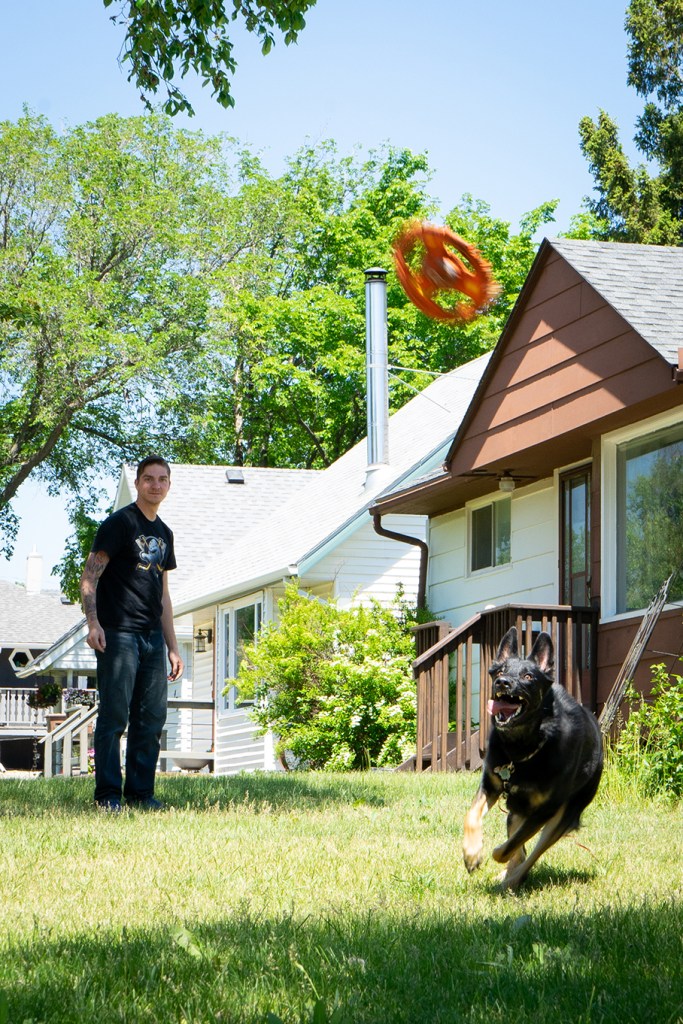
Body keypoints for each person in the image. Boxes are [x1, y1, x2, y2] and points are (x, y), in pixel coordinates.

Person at [80, 456, 183, 811]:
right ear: (137, 483)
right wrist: (93, 623)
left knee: (152, 717)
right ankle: (108, 795)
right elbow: (90, 577)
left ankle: (141, 794)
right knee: (115, 716)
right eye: (148, 479)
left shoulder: (165, 534)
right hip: (118, 634)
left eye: (162, 479)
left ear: (168, 485)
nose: (155, 485)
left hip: (153, 638)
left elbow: (164, 594)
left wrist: (172, 646)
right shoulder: (119, 524)